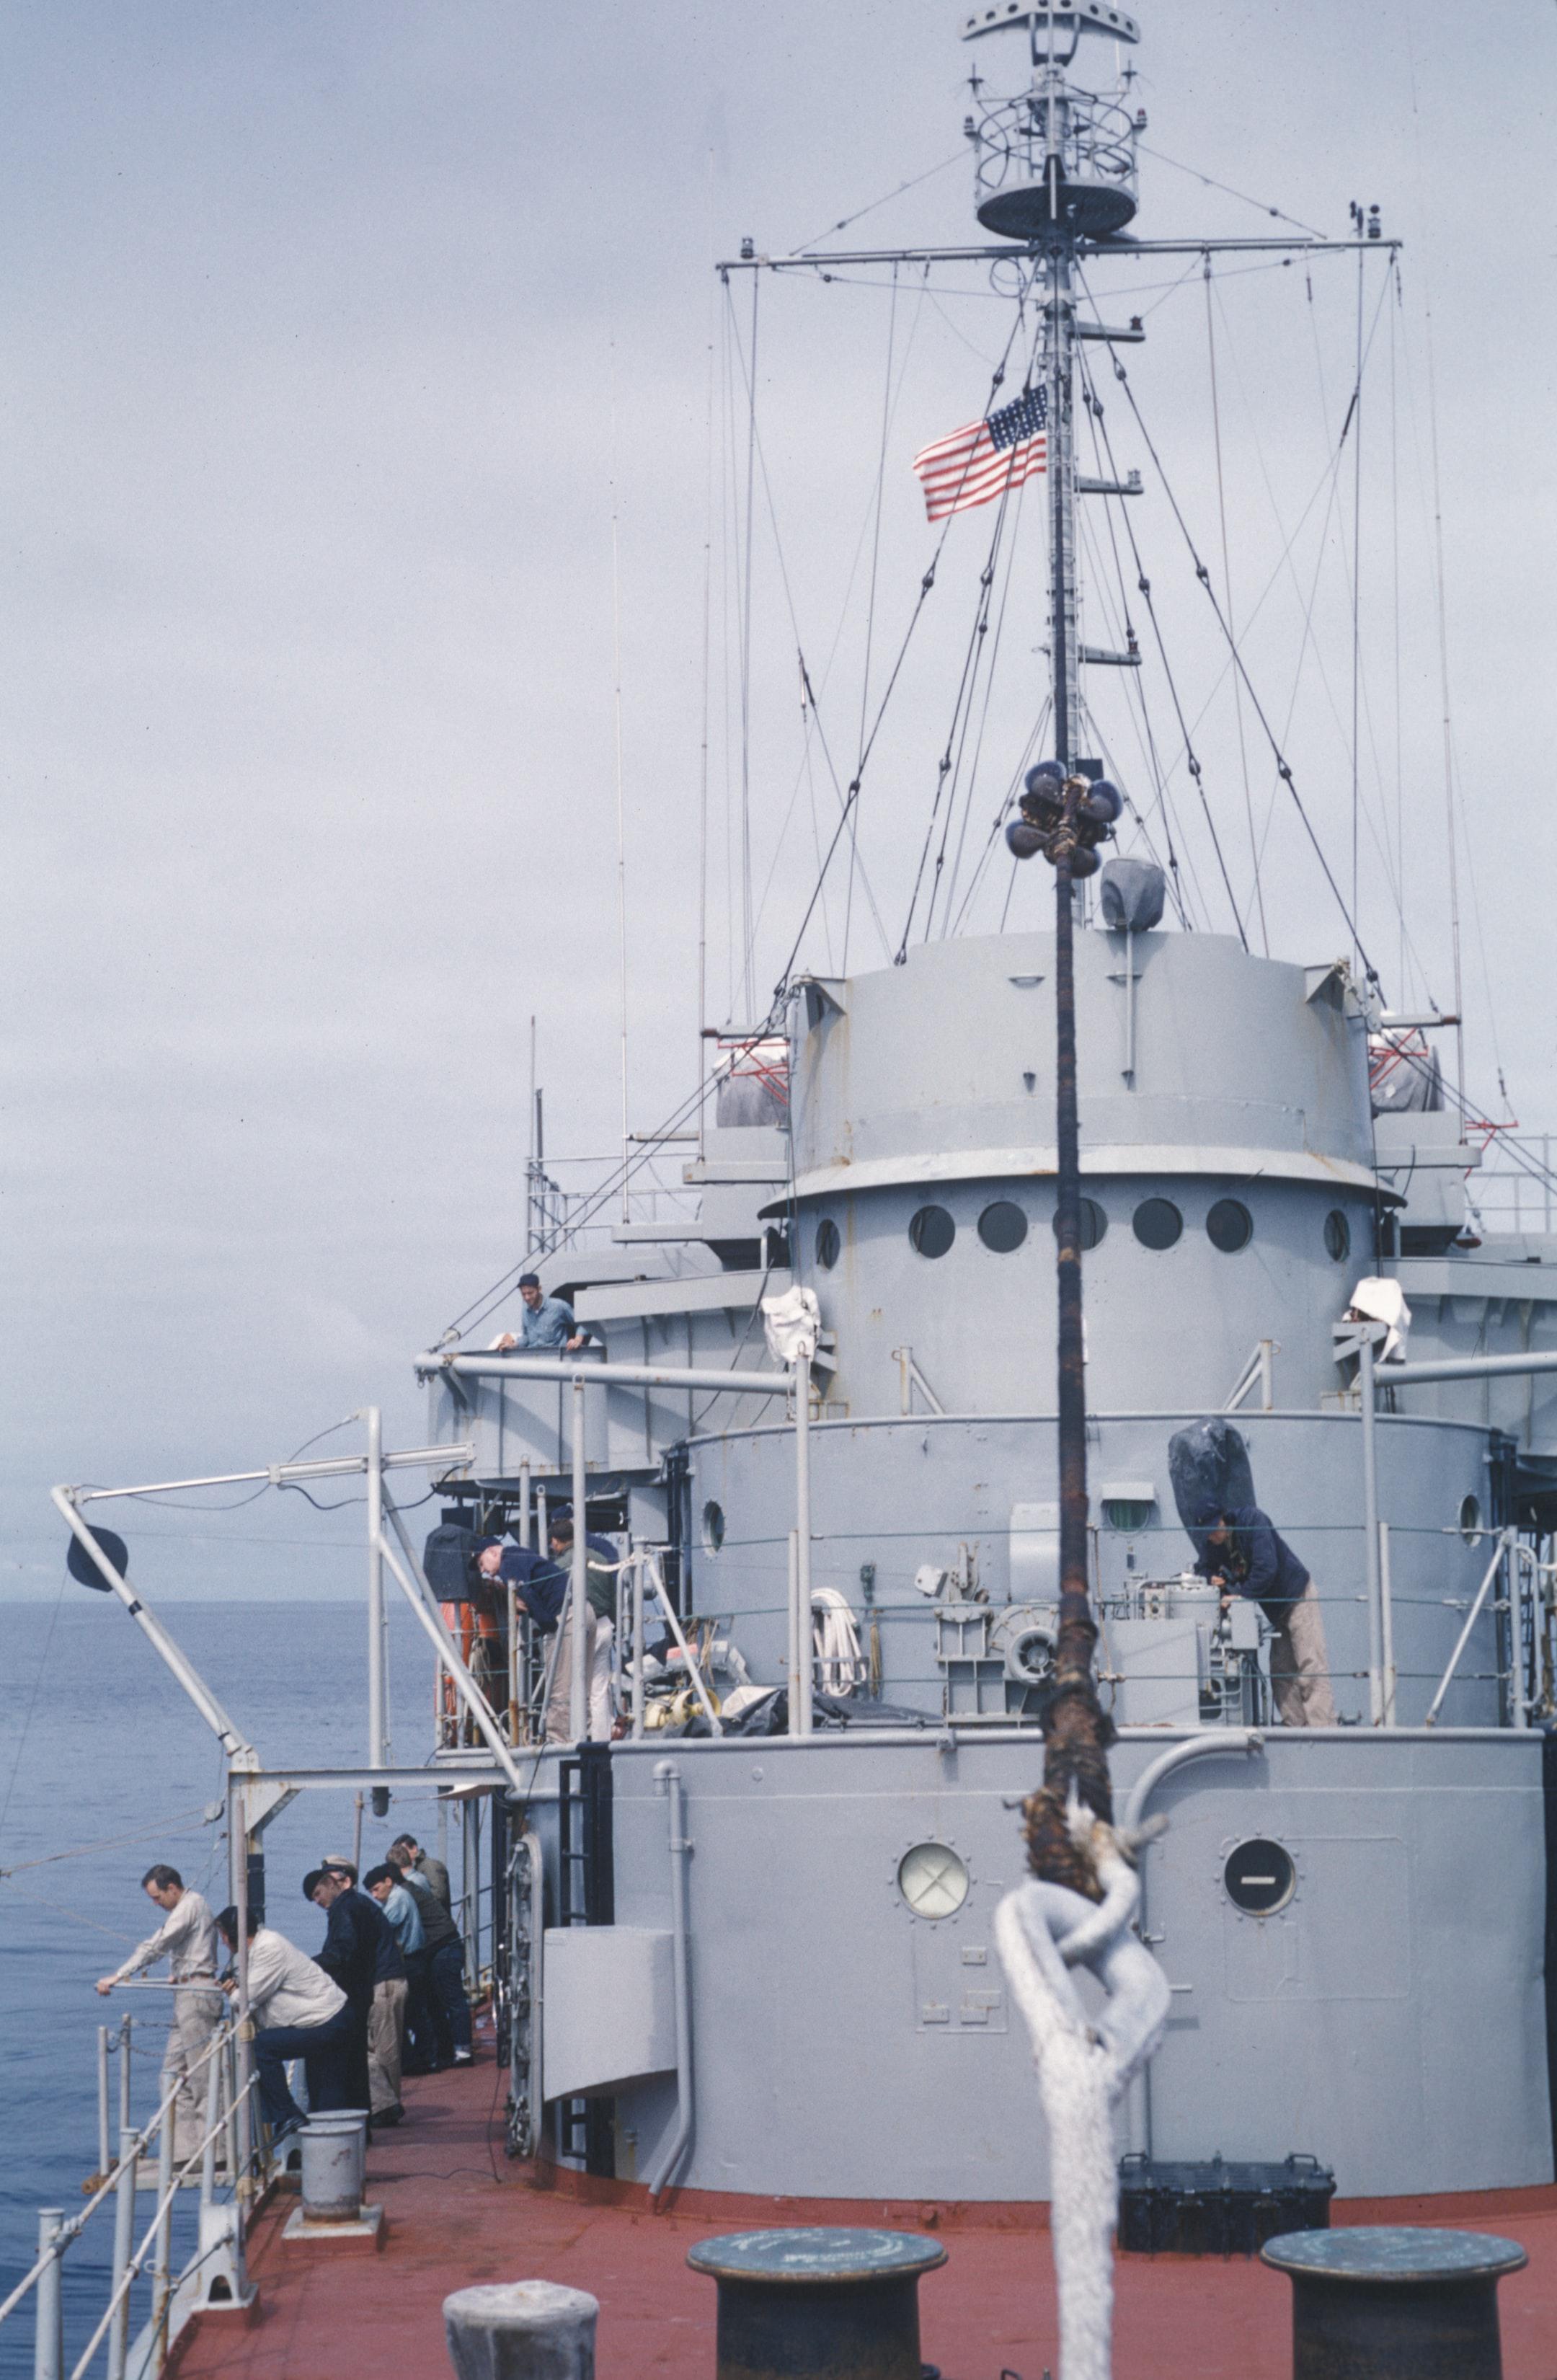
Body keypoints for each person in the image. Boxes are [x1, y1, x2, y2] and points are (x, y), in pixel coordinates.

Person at [96, 1864, 221, 2164]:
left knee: (202, 2077)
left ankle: (217, 2153)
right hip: (186, 1992)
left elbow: (158, 1944)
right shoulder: (189, 1907)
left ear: (172, 1889)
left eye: (157, 1897)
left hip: (197, 1995)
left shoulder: (190, 1906)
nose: (155, 1904)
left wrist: (120, 1974)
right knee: (171, 2075)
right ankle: (188, 2152)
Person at [214, 1903, 352, 2145]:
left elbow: (247, 2000)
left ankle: (287, 2115)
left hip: (327, 2020)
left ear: (232, 1935)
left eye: (223, 1936)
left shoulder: (269, 1948)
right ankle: (319, 2141)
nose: (223, 1942)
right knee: (324, 2097)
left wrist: (233, 1992)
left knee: (263, 2046)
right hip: (325, 2017)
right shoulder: (260, 1948)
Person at [1192, 1501, 1337, 1727]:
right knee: (1281, 1671)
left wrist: (1241, 1596)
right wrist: (1211, 1577)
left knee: (1310, 1665)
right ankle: (1296, 1728)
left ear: (1223, 1520)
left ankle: (1324, 1730)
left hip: (1297, 1597)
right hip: (1277, 1610)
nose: (1211, 1537)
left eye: (1213, 1530)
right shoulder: (1214, 1543)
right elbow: (1202, 1567)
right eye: (1206, 1534)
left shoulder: (1252, 1520)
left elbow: (1267, 1567)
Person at [304, 1865, 397, 2120]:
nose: (318, 1901)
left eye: (318, 1894)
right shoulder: (358, 1903)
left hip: (353, 1994)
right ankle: (365, 2121)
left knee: (352, 2063)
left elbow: (343, 1951)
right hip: (364, 1988)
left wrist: (307, 1966)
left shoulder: (343, 1909)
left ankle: (361, 2117)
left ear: (330, 1885)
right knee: (358, 2063)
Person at [388, 1843, 473, 2066]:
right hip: (441, 1944)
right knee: (439, 2001)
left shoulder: (406, 1890)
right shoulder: (414, 1883)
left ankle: (462, 2051)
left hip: (443, 1946)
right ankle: (448, 2049)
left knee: (452, 1999)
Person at [548, 1518, 617, 1740]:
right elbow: (613, 1597)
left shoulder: (558, 1567)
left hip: (578, 1628)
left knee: (570, 1686)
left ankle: (574, 1738)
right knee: (599, 1688)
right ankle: (601, 1740)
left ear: (555, 1541)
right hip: (604, 1625)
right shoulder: (600, 1558)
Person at [492, 1274, 588, 1353]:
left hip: (556, 1359)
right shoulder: (525, 1310)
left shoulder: (558, 1306)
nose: (527, 1298)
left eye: (530, 1293)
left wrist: (577, 1340)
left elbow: (583, 1323)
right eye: (523, 1294)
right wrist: (513, 1345)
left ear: (539, 1289)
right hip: (534, 1359)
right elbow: (527, 1337)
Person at [387, 1832, 452, 1913]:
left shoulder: (431, 1866)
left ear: (414, 1849)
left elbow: (439, 1896)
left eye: (403, 1852)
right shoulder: (416, 1868)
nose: (401, 1856)